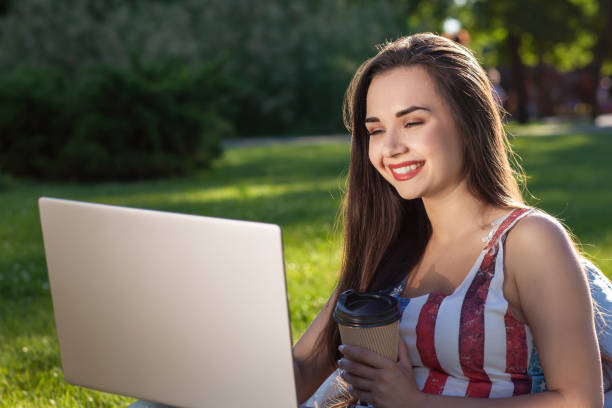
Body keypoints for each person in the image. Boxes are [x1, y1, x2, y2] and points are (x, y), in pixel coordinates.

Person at [292, 33, 607, 408]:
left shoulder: (527, 241)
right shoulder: (388, 246)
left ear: (467, 120)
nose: (390, 148)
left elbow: (578, 400)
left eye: (412, 122)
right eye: (376, 130)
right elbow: (300, 370)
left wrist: (417, 403)